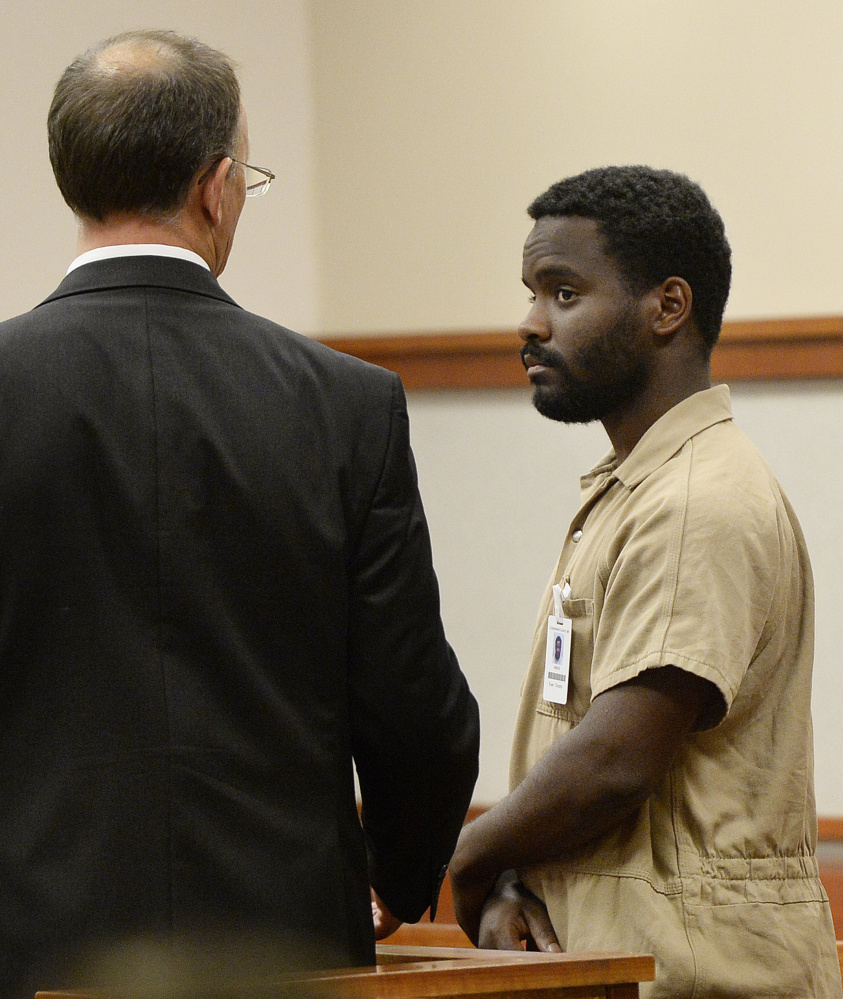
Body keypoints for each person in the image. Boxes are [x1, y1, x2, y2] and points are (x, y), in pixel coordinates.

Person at [0, 30, 479, 996]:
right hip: (286, 941)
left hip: (30, 933)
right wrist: (401, 863)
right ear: (217, 187)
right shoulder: (348, 404)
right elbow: (413, 703)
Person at [449, 166, 841, 998]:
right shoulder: (638, 487)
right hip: (632, 960)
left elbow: (618, 758)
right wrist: (518, 874)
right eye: (530, 292)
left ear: (667, 307)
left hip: (703, 976)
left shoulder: (698, 498)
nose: (528, 322)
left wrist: (475, 856)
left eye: (561, 292)